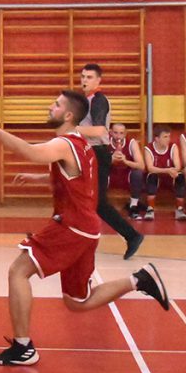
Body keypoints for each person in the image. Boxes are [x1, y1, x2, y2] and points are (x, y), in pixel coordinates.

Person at [0, 93, 169, 367]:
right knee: (77, 301)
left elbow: (29, 151)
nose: (50, 106)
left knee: (18, 271)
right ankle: (140, 279)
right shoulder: (82, 145)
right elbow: (77, 178)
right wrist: (40, 177)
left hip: (72, 226)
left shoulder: (63, 144)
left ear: (69, 115)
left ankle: (23, 347)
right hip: (87, 228)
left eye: (57, 104)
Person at [78, 64, 143, 259]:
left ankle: (132, 235)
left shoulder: (99, 100)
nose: (84, 80)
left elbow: (99, 130)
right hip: (86, 152)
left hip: (97, 153)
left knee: (97, 202)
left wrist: (71, 130)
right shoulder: (85, 100)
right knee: (80, 196)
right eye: (83, 76)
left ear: (98, 80)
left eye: (89, 77)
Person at [141, 125, 186, 221]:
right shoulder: (148, 148)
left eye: (169, 136)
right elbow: (150, 168)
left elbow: (178, 166)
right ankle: (150, 209)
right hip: (157, 176)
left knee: (180, 176)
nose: (168, 139)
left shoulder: (173, 147)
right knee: (152, 176)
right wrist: (167, 170)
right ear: (157, 139)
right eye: (165, 137)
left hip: (170, 177)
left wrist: (172, 171)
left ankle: (179, 209)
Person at [108, 123, 145, 218]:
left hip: (126, 174)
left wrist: (125, 161)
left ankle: (133, 206)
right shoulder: (105, 141)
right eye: (115, 133)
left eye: (121, 133)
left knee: (138, 173)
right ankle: (100, 205)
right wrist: (110, 159)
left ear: (125, 134)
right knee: (98, 172)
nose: (118, 136)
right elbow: (96, 163)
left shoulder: (132, 143)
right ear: (110, 132)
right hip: (110, 174)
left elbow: (141, 165)